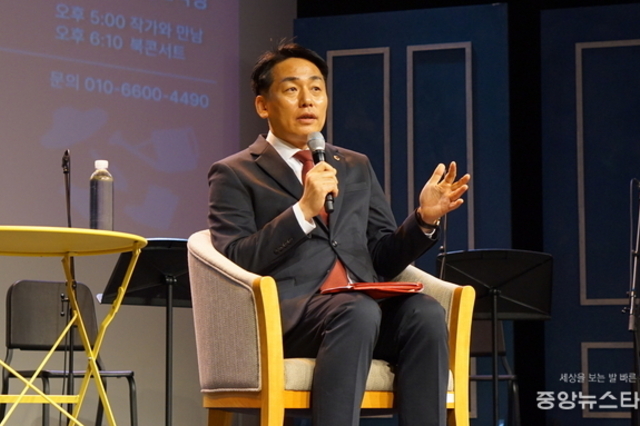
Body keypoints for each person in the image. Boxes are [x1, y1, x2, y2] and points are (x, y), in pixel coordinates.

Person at [208, 42, 470, 426]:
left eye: (316, 88)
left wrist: (423, 219)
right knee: (356, 310)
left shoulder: (354, 165)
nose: (307, 100)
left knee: (425, 313)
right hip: (288, 318)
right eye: (292, 89)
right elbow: (235, 259)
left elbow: (381, 257)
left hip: (361, 310)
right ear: (263, 105)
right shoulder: (235, 172)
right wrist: (302, 211)